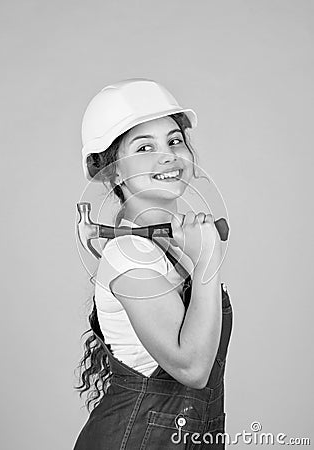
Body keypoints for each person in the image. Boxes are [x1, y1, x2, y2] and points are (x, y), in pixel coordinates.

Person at [73, 78, 233, 449]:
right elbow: (192, 368)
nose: (168, 155)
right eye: (145, 147)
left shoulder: (170, 247)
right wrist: (207, 259)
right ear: (113, 171)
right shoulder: (131, 256)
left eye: (175, 140)